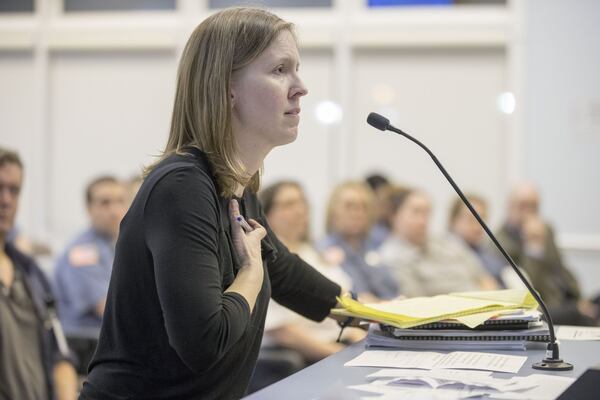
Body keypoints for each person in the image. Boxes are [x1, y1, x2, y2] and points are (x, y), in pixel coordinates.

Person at [80, 8, 345, 399]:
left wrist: (371, 314)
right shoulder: (182, 186)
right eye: (279, 70)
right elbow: (205, 341)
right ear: (227, 88)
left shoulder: (236, 185)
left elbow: (282, 268)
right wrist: (251, 272)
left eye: (297, 69)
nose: (300, 86)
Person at [250, 181, 362, 391]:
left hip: (337, 344)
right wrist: (339, 355)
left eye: (302, 202)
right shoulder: (267, 260)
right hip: (302, 357)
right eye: (289, 204)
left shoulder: (311, 252)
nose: (300, 210)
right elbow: (283, 332)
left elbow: (343, 297)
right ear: (266, 213)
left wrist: (371, 321)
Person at [0, 147, 78, 400]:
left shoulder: (32, 274)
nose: (6, 200)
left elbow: (60, 352)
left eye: (14, 190)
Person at [496, 182, 598, 325]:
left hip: (567, 299)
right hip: (546, 309)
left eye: (534, 206)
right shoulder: (500, 241)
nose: (529, 212)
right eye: (523, 205)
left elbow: (559, 266)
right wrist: (533, 246)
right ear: (509, 206)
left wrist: (578, 297)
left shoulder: (546, 229)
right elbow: (528, 287)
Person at [379, 187, 498, 297]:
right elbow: (418, 302)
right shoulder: (391, 258)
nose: (423, 220)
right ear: (394, 215)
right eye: (416, 212)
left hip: (488, 310)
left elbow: (484, 278)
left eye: (427, 213)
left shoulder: (447, 242)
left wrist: (491, 301)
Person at [54, 175, 127, 331]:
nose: (114, 211)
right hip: (85, 346)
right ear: (89, 208)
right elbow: (109, 309)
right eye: (105, 203)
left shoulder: (116, 246)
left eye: (120, 201)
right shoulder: (82, 252)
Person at [317, 181, 399, 301]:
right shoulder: (322, 250)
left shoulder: (376, 246)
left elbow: (392, 289)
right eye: (349, 206)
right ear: (333, 211)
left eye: (364, 207)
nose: (357, 213)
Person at [448, 194, 507, 287]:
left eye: (482, 219)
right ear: (453, 221)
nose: (477, 226)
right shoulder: (444, 254)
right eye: (471, 219)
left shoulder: (489, 253)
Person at [365, 173, 393, 247]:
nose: (385, 204)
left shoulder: (391, 227)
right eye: (380, 200)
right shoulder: (362, 233)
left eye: (388, 199)